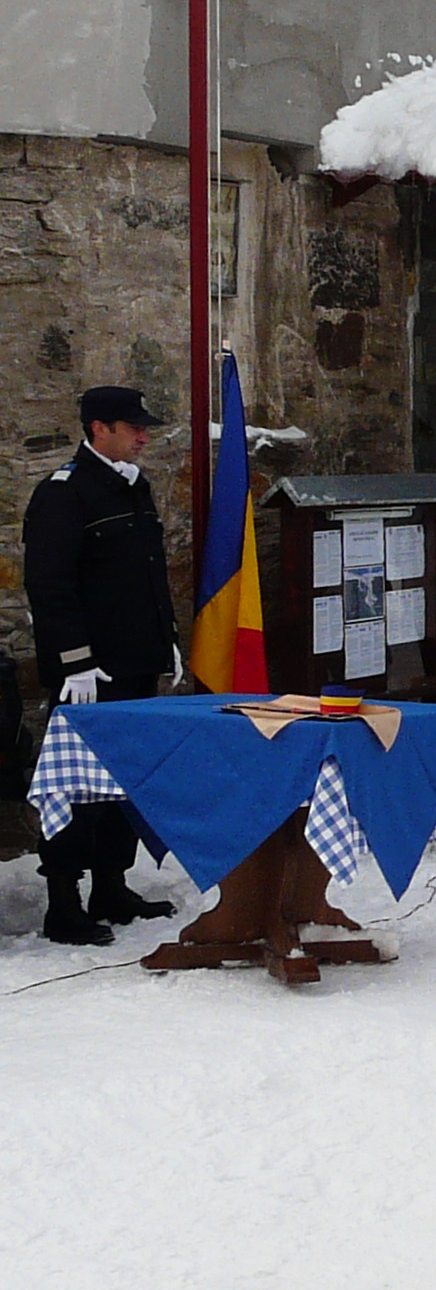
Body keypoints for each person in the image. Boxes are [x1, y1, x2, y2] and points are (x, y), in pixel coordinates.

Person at [22, 386, 182, 946]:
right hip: (90, 675)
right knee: (77, 786)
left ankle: (110, 886)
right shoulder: (64, 492)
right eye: (133, 428)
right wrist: (75, 661)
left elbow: (147, 574)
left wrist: (167, 641)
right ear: (98, 429)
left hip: (135, 664)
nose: (143, 437)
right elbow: (49, 585)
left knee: (124, 781)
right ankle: (63, 902)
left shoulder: (132, 486)